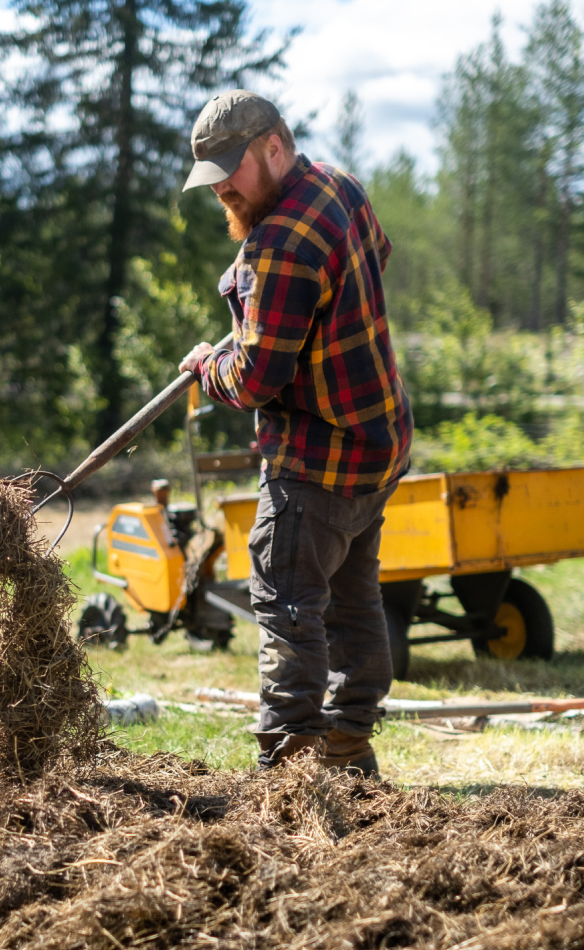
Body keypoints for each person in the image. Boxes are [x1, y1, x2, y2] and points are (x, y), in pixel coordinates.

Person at [178, 90, 413, 776]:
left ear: (274, 146)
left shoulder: (276, 245)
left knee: (287, 607)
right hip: (377, 444)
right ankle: (348, 750)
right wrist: (277, 322)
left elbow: (254, 380)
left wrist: (208, 366)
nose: (222, 188)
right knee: (353, 603)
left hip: (316, 461)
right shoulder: (341, 188)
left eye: (232, 170)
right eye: (212, 177)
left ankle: (291, 772)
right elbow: (373, 259)